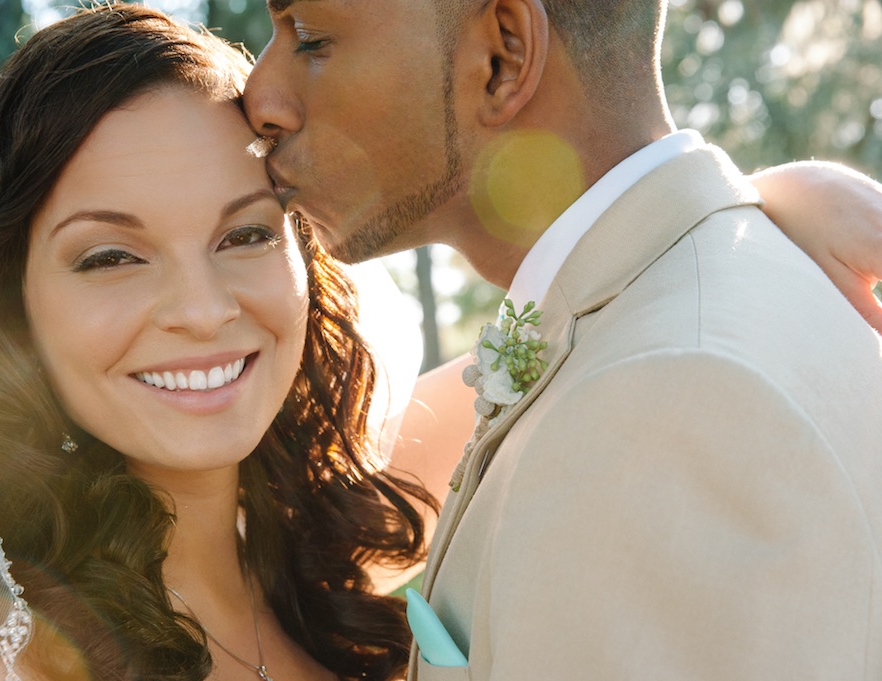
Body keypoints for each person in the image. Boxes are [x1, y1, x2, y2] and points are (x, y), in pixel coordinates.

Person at [244, 0, 882, 678]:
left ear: (502, 56)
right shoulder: (651, 328)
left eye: (310, 37)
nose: (258, 95)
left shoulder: (661, 404)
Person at [0, 6, 436, 680]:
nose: (202, 309)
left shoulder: (327, 571)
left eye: (245, 235)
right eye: (110, 257)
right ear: (14, 309)